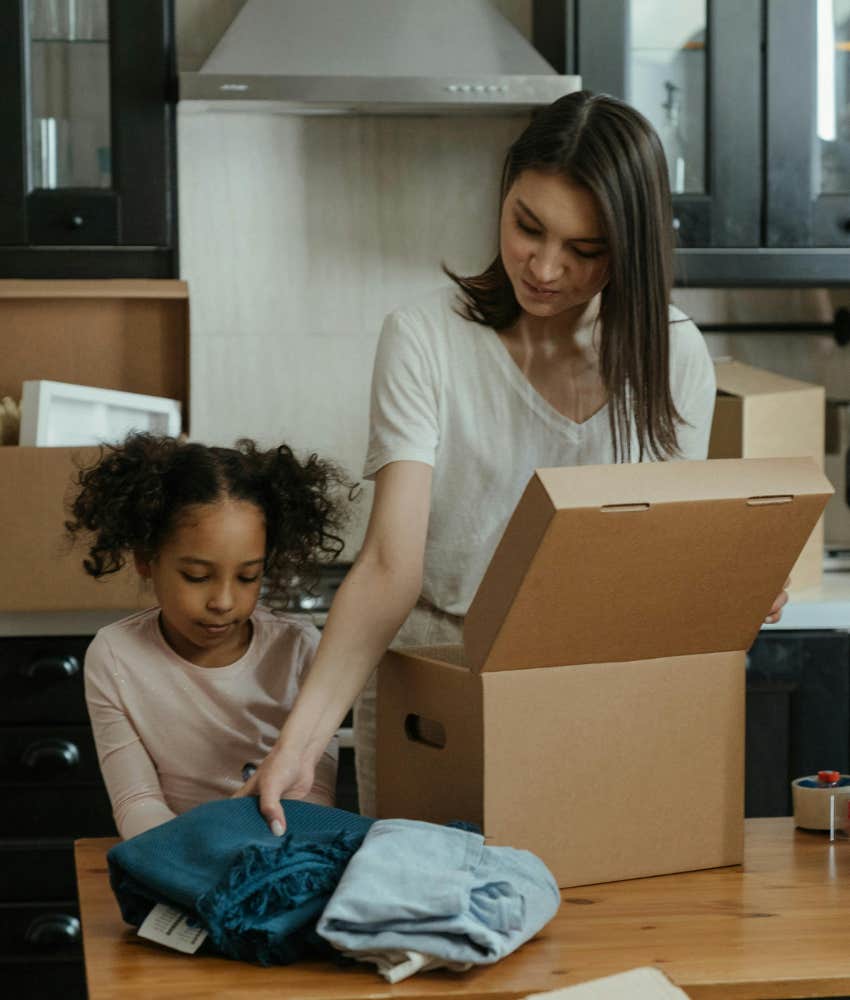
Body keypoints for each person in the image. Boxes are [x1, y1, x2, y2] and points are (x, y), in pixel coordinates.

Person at [238, 89, 789, 830]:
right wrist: (299, 745)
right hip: (436, 679)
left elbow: (655, 568)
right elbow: (388, 568)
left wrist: (736, 577)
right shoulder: (424, 340)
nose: (545, 267)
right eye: (527, 226)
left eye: (585, 250)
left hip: (590, 688)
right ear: (504, 195)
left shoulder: (671, 352)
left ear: (628, 248)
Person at [66, 433, 352, 839]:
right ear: (147, 557)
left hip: (282, 851)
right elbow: (136, 802)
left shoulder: (299, 649)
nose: (223, 601)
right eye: (197, 576)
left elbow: (313, 796)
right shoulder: (115, 657)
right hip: (173, 854)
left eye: (248, 576)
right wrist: (193, 862)